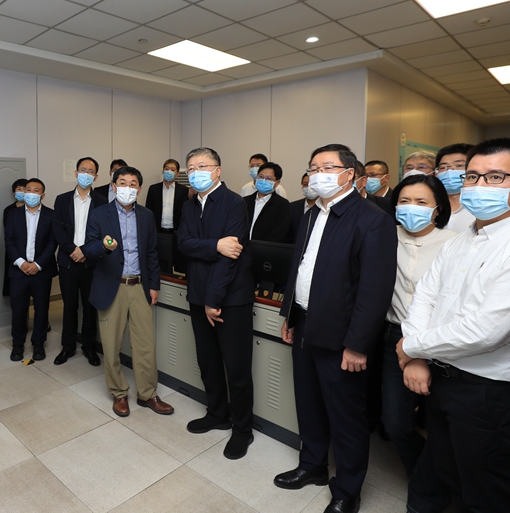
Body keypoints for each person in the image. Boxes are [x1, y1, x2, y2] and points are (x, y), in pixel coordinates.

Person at [398, 137, 510, 513]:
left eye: (495, 177)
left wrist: (411, 347)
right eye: (472, 177)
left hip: (491, 397)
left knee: (488, 497)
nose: (479, 186)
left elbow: (486, 331)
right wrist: (416, 354)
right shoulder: (460, 241)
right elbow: (424, 299)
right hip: (443, 382)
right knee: (443, 475)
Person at [275, 144, 396, 513]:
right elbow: (299, 268)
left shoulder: (372, 219)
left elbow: (375, 291)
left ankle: (347, 490)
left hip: (342, 336)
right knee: (308, 402)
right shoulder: (313, 213)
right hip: (305, 322)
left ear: (350, 174)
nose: (318, 174)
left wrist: (357, 345)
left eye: (328, 167)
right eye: (314, 168)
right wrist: (289, 315)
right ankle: (312, 465)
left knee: (346, 416)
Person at [381, 175, 455, 513]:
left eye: (421, 202)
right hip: (394, 336)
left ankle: (436, 486)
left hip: (442, 341)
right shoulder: (384, 237)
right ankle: (425, 477)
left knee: (443, 424)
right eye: (404, 201)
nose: (411, 208)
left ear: (438, 209)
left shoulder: (454, 244)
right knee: (395, 422)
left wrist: (421, 350)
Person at [178, 147, 257, 460]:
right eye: (191, 167)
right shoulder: (189, 205)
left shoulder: (234, 203)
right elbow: (183, 244)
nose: (195, 172)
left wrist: (213, 301)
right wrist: (214, 245)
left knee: (236, 368)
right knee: (208, 362)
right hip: (198, 296)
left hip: (229, 300)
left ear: (217, 170)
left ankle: (243, 429)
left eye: (202, 166)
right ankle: (217, 413)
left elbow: (231, 255)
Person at [83, 166, 173, 418]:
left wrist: (154, 285)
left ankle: (148, 393)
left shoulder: (146, 215)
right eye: (122, 183)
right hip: (111, 287)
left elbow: (152, 253)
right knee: (111, 345)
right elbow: (88, 249)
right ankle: (119, 392)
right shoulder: (99, 214)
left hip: (140, 286)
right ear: (113, 186)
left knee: (145, 345)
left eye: (133, 184)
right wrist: (103, 246)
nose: (127, 188)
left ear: (139, 189)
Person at [52, 157, 107, 367]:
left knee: (90, 307)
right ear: (76, 173)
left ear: (96, 176)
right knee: (69, 306)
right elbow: (58, 229)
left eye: (90, 171)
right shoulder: (62, 200)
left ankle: (89, 347)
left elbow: (102, 232)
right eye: (82, 170)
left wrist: (84, 251)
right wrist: (72, 250)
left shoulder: (102, 201)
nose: (86, 174)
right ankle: (67, 346)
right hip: (68, 261)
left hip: (91, 262)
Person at [5, 178, 58, 362]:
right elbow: (9, 241)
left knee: (42, 309)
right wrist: (21, 263)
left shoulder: (51, 215)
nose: (31, 193)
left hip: (42, 271)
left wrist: (38, 264)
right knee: (18, 310)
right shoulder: (13, 214)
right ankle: (18, 344)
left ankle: (38, 343)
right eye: (28, 189)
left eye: (36, 190)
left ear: (42, 195)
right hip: (18, 270)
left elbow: (53, 242)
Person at [244, 161, 291, 243]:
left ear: (277, 183)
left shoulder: (283, 205)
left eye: (268, 178)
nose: (263, 180)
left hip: (265, 248)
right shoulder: (244, 201)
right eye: (261, 177)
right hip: (242, 248)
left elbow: (278, 233)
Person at [434, 143, 474, 233]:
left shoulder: (482, 206)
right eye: (443, 167)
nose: (449, 171)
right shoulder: (430, 204)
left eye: (459, 165)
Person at [145, 158, 189, 233]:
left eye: (172, 169)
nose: (169, 171)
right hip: (157, 230)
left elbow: (185, 212)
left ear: (177, 174)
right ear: (163, 171)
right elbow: (148, 210)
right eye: (167, 169)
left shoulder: (183, 190)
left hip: (177, 230)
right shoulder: (153, 189)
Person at [2, 179, 29, 297]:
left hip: (32, 253)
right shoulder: (9, 210)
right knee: (16, 290)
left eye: (24, 189)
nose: (22, 191)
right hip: (15, 252)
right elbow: (8, 234)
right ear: (14, 192)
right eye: (19, 189)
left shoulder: (34, 208)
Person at [289, 172, 317, 241]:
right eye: (305, 184)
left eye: (312, 184)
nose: (309, 187)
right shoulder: (292, 207)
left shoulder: (326, 208)